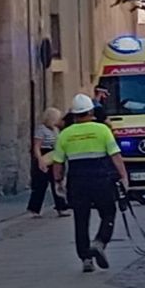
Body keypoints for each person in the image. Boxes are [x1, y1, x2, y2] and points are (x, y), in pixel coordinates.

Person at [53, 94, 128, 273]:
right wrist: (123, 176)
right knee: (108, 212)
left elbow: (58, 163)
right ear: (91, 112)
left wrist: (58, 181)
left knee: (81, 219)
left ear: (74, 114)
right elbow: (115, 155)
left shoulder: (65, 134)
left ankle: (86, 258)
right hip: (101, 178)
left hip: (77, 181)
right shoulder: (102, 130)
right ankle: (100, 241)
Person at [27, 108, 69, 218]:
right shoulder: (41, 129)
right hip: (44, 155)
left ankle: (61, 207)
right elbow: (36, 146)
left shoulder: (55, 130)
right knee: (41, 184)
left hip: (54, 155)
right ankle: (34, 209)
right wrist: (40, 160)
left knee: (57, 182)